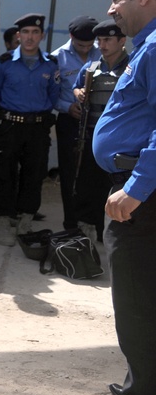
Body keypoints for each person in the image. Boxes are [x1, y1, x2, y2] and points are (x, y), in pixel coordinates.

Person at [73, 0, 156, 395]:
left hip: (142, 197)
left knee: (138, 304)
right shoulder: (144, 48)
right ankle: (143, 386)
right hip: (139, 187)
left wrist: (137, 188)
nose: (110, 9)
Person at [0, 13, 60, 245]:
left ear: (42, 36)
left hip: (37, 128)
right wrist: (5, 118)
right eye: (25, 32)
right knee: (4, 173)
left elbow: (54, 95)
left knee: (34, 174)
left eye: (35, 32)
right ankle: (3, 220)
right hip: (9, 126)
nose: (30, 37)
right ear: (18, 35)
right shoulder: (4, 62)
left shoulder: (50, 64)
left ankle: (26, 219)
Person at [71, 19, 129, 240]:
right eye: (100, 40)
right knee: (87, 185)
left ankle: (111, 230)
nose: (102, 44)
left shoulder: (131, 68)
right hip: (92, 137)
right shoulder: (91, 68)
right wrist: (78, 94)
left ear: (122, 41)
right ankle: (86, 229)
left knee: (114, 188)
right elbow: (76, 87)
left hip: (121, 144)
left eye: (108, 39)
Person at [52, 16, 101, 231]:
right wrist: (66, 107)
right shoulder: (57, 58)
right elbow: (49, 95)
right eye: (81, 45)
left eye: (90, 45)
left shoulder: (103, 53)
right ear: (71, 37)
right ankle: (71, 224)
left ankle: (95, 223)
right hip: (69, 122)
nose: (86, 49)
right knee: (70, 174)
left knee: (97, 173)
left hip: (97, 122)